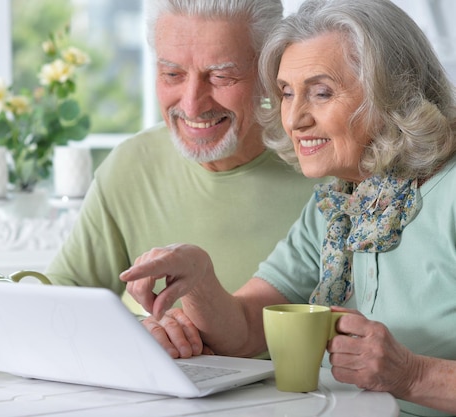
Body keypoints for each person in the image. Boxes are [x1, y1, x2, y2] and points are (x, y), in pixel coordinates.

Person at [120, 0, 456, 415]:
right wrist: (200, 276)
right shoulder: (337, 205)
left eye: (321, 92)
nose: (294, 118)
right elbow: (245, 330)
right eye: (286, 93)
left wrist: (413, 375)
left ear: (395, 93)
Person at [45, 0, 319, 319]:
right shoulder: (131, 166)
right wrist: (146, 333)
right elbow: (63, 296)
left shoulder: (325, 168)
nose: (191, 106)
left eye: (220, 77)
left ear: (270, 71)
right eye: (172, 74)